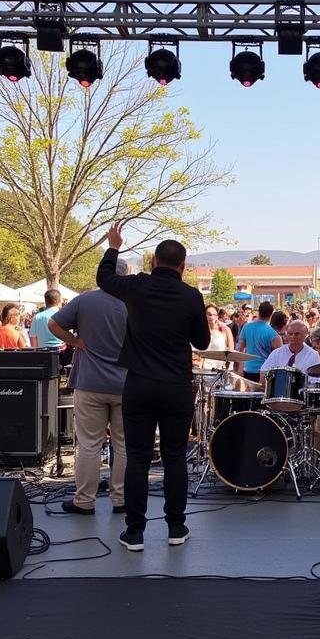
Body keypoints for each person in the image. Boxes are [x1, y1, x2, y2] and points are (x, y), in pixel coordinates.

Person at [97, 225, 209, 551]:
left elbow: (104, 278)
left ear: (153, 260)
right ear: (183, 266)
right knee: (175, 457)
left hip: (139, 385)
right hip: (176, 386)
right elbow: (201, 341)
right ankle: (176, 526)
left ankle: (134, 532)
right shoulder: (191, 296)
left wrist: (114, 247)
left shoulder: (136, 286)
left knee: (138, 458)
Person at [49, 281, 129, 517]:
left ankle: (84, 501)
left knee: (89, 444)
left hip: (89, 381)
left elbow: (54, 324)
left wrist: (74, 342)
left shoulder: (85, 300)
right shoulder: (133, 302)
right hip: (125, 383)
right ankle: (121, 499)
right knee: (123, 445)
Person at [237, 301, 281, 383]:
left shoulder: (246, 327)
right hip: (265, 371)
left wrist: (240, 369)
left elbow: (241, 349)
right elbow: (278, 357)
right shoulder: (273, 334)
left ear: (258, 312)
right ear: (271, 315)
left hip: (247, 369)